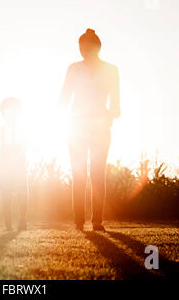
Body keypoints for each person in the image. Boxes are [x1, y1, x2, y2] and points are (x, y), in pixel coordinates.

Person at [58, 28, 120, 231]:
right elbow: (64, 98)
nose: (83, 51)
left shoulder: (111, 70)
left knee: (97, 173)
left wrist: (107, 116)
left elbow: (116, 105)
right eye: (80, 48)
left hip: (100, 127)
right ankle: (78, 222)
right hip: (76, 127)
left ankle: (97, 221)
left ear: (97, 47)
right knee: (79, 173)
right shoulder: (74, 69)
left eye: (87, 47)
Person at [0, 97, 28, 231]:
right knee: (6, 193)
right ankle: (8, 224)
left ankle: (22, 220)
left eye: (15, 110)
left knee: (22, 192)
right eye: (8, 110)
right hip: (5, 163)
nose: (12, 113)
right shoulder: (1, 130)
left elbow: (34, 145)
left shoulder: (24, 129)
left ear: (19, 112)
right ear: (3, 113)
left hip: (19, 162)